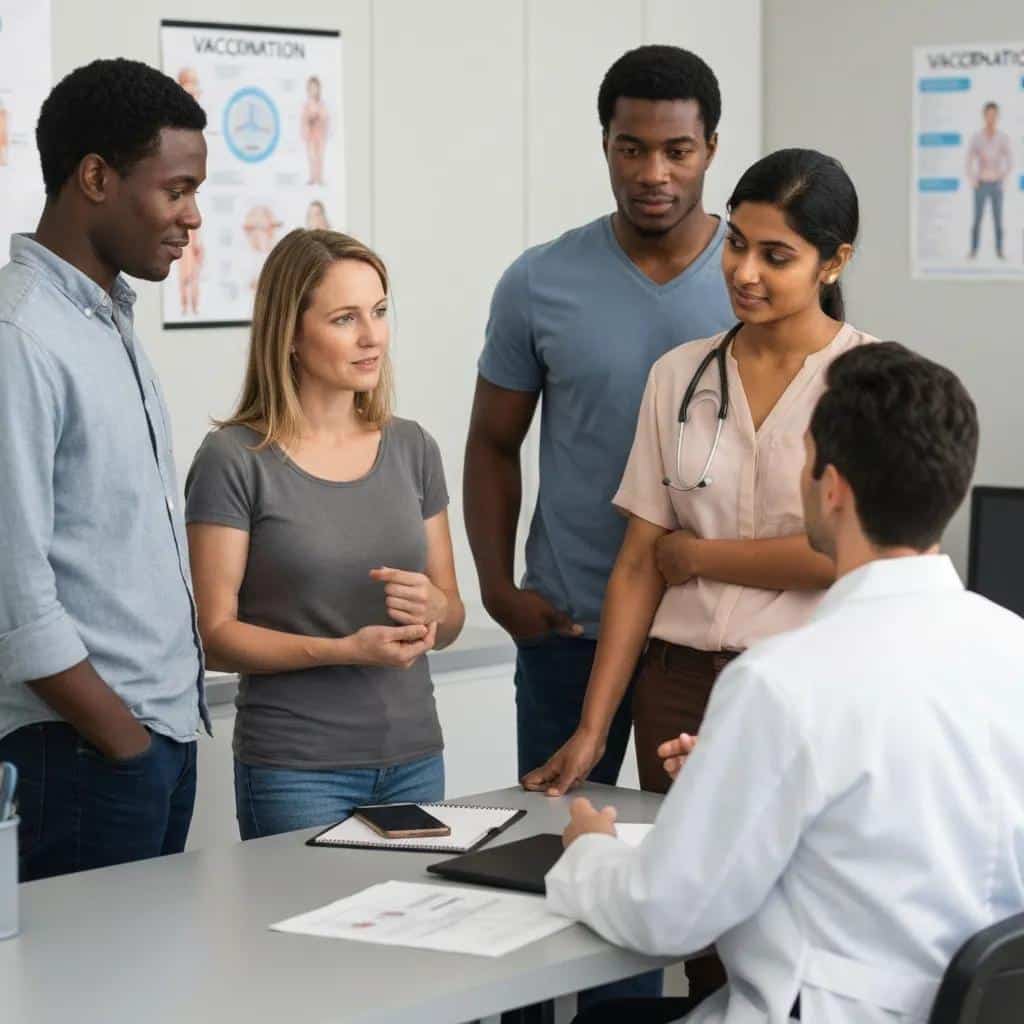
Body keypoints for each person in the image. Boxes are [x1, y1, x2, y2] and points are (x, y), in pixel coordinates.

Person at [547, 342, 1024, 1024]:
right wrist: (733, 771)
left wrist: (587, 851)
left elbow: (663, 917)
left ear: (832, 488)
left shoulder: (783, 682)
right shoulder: (1014, 649)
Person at [524, 149, 873, 800]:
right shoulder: (679, 375)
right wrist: (593, 730)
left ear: (834, 262)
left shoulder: (873, 383)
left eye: (776, 255)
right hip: (675, 687)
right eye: (737, 243)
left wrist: (698, 555)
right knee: (676, 882)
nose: (744, 271)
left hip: (797, 686)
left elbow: (846, 560)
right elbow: (639, 562)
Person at [466, 44, 733, 796]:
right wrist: (496, 588)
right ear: (606, 147)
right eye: (632, 149)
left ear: (711, 146)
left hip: (703, 630)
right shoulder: (537, 281)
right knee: (551, 849)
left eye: (678, 150)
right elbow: (492, 443)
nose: (654, 173)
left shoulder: (753, 283)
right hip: (569, 628)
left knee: (692, 856)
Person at [0, 59, 208, 881]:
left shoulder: (106, 318)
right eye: (177, 189)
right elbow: (16, 597)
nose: (192, 217)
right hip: (84, 754)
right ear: (94, 176)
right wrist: (124, 744)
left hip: (151, 744)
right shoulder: (21, 336)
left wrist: (154, 747)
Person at [185, 228, 464, 839]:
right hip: (296, 770)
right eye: (345, 318)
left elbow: (452, 616)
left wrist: (437, 609)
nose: (373, 337)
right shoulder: (235, 459)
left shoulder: (414, 447)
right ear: (290, 333)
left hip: (415, 760)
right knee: (304, 936)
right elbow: (215, 637)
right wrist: (343, 651)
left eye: (380, 312)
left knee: (410, 931)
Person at [967, 101, 1012, 261]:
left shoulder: (1003, 138)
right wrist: (972, 179)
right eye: (988, 114)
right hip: (981, 183)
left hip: (996, 184)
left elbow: (1010, 161)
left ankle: (1000, 251)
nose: (991, 118)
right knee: (977, 218)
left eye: (994, 115)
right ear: (984, 116)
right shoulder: (977, 137)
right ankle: (973, 250)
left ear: (998, 116)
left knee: (998, 219)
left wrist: (1003, 177)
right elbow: (969, 160)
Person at [301, 76, 328, 186]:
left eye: (315, 88)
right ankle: (312, 177)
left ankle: (319, 178)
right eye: (311, 88)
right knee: (311, 156)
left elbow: (325, 117)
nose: (313, 90)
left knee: (320, 156)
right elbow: (303, 119)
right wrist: (308, 122)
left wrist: (318, 118)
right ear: (308, 89)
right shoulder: (306, 105)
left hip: (320, 134)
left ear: (319, 89)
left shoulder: (321, 104)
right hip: (310, 134)